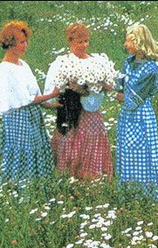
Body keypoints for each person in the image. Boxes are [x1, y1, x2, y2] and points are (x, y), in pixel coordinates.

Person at [44, 23, 113, 179]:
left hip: (90, 111)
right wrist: (58, 101)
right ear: (70, 41)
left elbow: (108, 86)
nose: (84, 45)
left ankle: (90, 179)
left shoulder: (96, 61)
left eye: (86, 41)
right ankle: (69, 179)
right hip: (70, 112)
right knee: (69, 141)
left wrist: (90, 88)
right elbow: (51, 90)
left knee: (90, 142)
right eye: (80, 42)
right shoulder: (62, 62)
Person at [0, 20, 60, 184]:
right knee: (23, 153)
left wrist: (55, 105)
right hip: (18, 119)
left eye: (25, 41)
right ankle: (19, 189)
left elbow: (36, 96)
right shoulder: (5, 69)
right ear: (10, 44)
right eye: (22, 42)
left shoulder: (23, 65)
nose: (26, 45)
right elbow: (27, 100)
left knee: (37, 151)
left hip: (33, 117)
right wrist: (53, 94)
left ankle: (38, 187)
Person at [115, 23, 158, 198]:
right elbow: (119, 86)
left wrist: (121, 94)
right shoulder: (128, 62)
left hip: (141, 115)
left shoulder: (151, 69)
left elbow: (133, 99)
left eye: (129, 41)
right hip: (126, 116)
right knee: (127, 152)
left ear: (139, 43)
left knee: (144, 153)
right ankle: (129, 193)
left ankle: (148, 194)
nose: (126, 44)